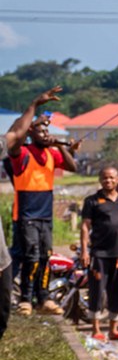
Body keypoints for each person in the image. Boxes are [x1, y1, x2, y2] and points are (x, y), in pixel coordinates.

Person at [3, 87, 78, 316]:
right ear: (31, 135)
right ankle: (25, 299)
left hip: (45, 214)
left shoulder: (51, 154)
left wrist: (60, 146)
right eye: (40, 131)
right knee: (30, 256)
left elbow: (72, 166)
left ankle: (43, 298)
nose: (45, 134)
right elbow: (14, 138)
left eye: (47, 131)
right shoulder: (22, 153)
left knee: (45, 256)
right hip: (26, 214)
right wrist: (33, 113)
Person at [79, 167, 118, 341]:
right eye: (105, 178)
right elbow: (85, 226)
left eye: (112, 178)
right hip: (99, 254)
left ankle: (114, 329)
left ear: (117, 180)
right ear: (100, 180)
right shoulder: (92, 201)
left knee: (117, 291)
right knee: (97, 291)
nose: (108, 181)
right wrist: (84, 250)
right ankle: (96, 329)